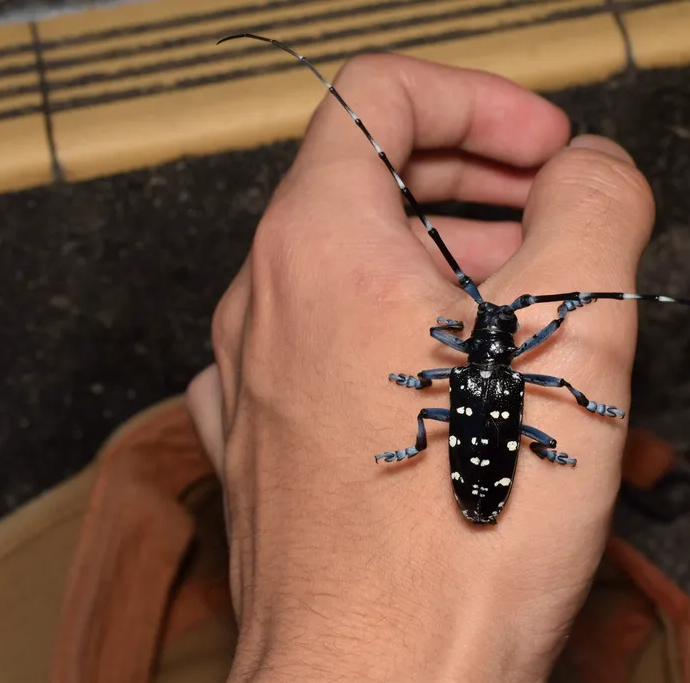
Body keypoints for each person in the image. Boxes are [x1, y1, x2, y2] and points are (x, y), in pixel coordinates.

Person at [184, 50, 656, 682]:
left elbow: (469, 379)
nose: (498, 319)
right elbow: (553, 379)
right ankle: (539, 447)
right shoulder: (512, 375)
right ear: (505, 339)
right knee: (512, 416)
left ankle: (523, 448)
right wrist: (575, 333)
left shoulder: (463, 373)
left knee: (459, 413)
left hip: (476, 470)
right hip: (483, 473)